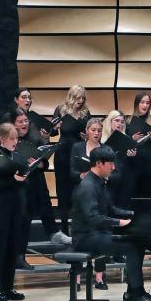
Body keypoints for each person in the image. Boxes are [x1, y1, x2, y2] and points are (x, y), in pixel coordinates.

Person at [71, 145, 151, 301]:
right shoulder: (88, 186)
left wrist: (134, 214)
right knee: (131, 246)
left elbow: (112, 209)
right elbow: (93, 218)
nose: (114, 167)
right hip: (85, 237)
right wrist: (120, 222)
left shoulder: (99, 182)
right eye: (111, 163)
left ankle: (133, 292)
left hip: (97, 234)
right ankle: (137, 294)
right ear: (99, 163)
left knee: (136, 244)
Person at [12, 109, 71, 272]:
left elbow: (43, 163)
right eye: (21, 121)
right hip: (18, 186)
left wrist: (38, 163)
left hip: (34, 183)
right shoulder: (10, 141)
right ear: (13, 124)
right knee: (22, 221)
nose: (25, 124)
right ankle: (18, 256)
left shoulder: (34, 138)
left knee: (41, 201)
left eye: (26, 121)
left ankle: (52, 233)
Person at [0, 124, 27, 301]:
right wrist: (14, 179)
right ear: (2, 139)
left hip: (14, 211)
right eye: (12, 138)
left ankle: (7, 287)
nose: (15, 142)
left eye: (16, 138)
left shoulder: (14, 155)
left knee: (11, 250)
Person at [71, 117, 109, 289]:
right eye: (93, 130)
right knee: (80, 233)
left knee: (100, 232)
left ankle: (99, 278)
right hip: (81, 194)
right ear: (87, 131)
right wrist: (81, 175)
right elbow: (70, 171)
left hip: (99, 194)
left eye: (99, 130)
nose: (96, 133)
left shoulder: (105, 150)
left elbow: (115, 172)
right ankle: (76, 279)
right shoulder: (77, 147)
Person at [53, 85, 92, 233]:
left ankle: (79, 226)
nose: (80, 101)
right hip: (63, 154)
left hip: (79, 154)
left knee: (80, 189)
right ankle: (63, 227)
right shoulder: (60, 110)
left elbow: (92, 131)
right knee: (63, 190)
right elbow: (51, 133)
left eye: (83, 98)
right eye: (78, 97)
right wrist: (54, 127)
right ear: (71, 96)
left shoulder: (85, 113)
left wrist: (87, 136)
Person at [125, 92, 151, 198]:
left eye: (148, 103)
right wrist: (132, 138)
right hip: (133, 160)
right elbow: (123, 142)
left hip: (149, 161)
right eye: (142, 102)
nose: (145, 105)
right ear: (137, 103)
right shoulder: (128, 121)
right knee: (133, 191)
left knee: (148, 191)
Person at [101, 110, 137, 208]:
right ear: (110, 122)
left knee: (123, 207)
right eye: (116, 121)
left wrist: (132, 156)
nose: (119, 124)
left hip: (125, 178)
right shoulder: (102, 140)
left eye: (122, 122)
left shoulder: (127, 139)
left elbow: (133, 165)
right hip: (108, 178)